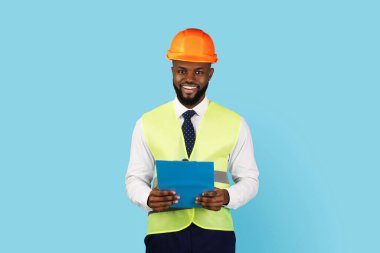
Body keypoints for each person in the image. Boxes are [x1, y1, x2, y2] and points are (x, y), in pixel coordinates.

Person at [125, 28, 260, 253]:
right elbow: (134, 178)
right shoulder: (146, 123)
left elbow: (250, 179)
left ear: (210, 74)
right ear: (172, 72)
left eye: (198, 71)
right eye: (181, 71)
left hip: (216, 235)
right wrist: (147, 198)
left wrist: (228, 196)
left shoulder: (235, 122)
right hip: (163, 235)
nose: (189, 79)